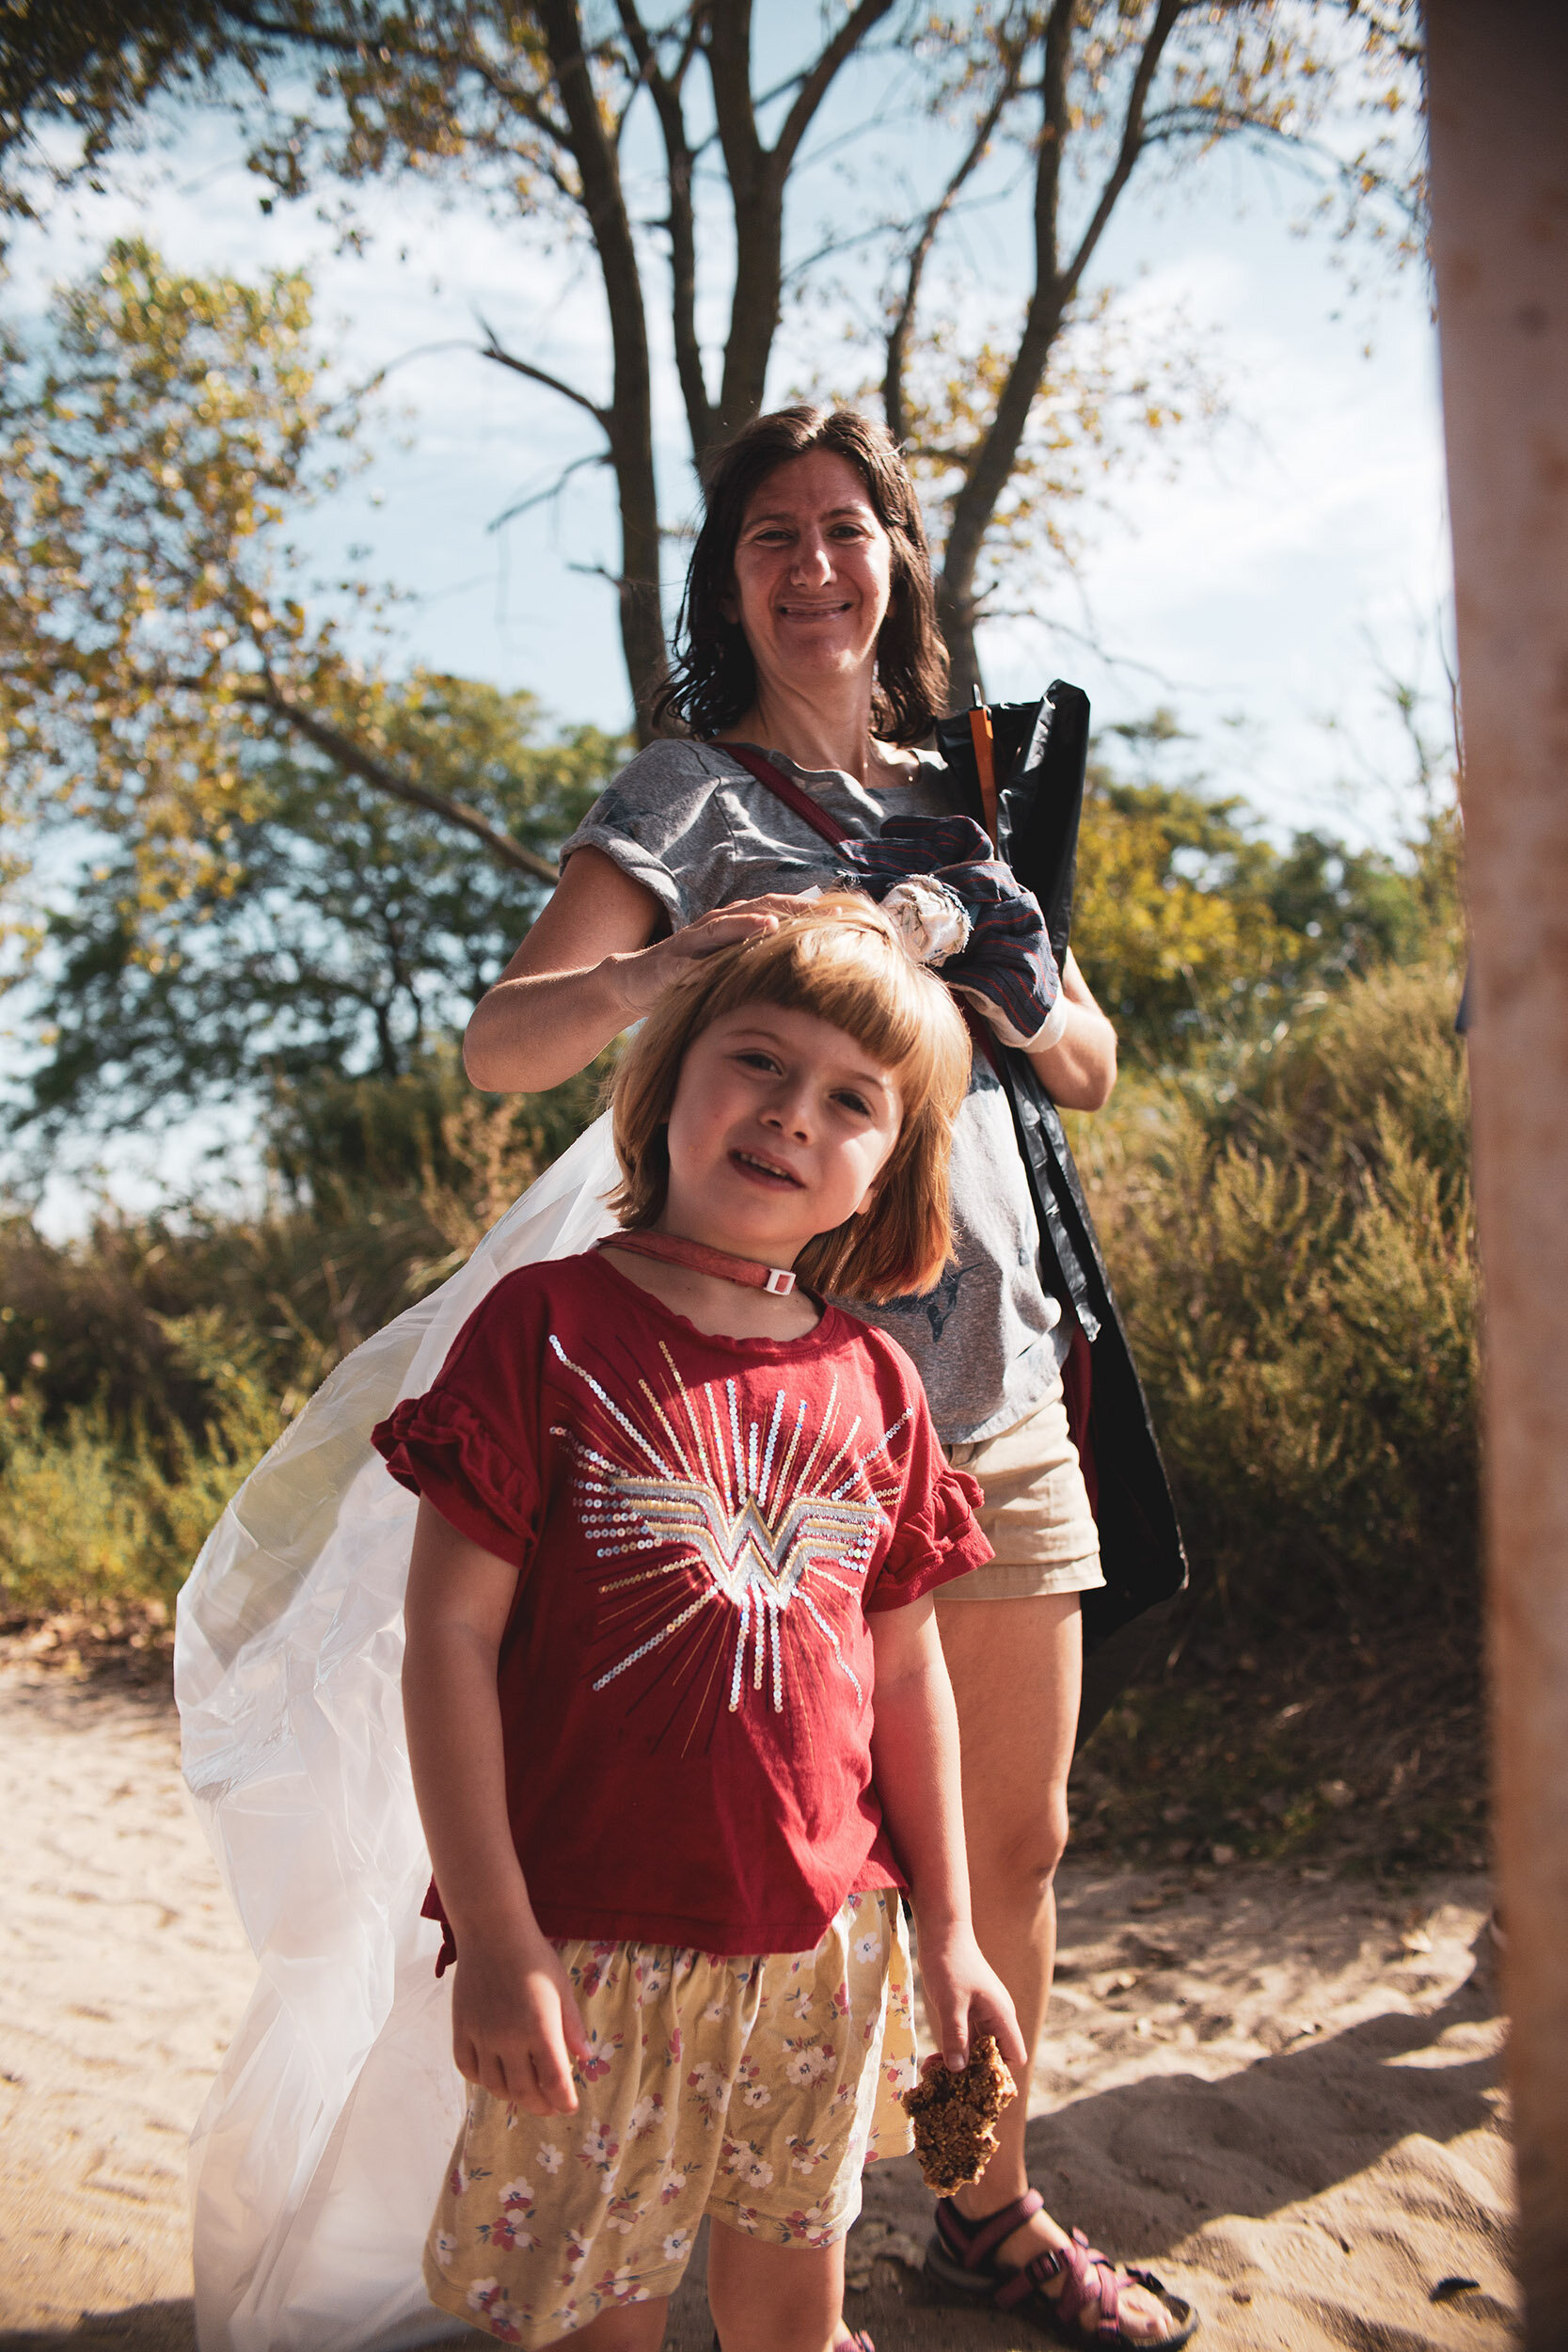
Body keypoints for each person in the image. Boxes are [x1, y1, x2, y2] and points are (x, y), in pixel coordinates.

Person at [461, 404, 1189, 2346]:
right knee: (757, 1847)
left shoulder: (965, 800)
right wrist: (667, 966)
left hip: (997, 1380)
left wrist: (972, 960)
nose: (812, 561)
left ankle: (984, 2198)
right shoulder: (684, 793)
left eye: (846, 526)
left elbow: (1091, 1054)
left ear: (896, 560)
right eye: (769, 532)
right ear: (731, 575)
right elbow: (497, 1049)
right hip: (766, 1414)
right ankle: (727, 2237)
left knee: (1007, 1842)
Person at [372, 898, 1028, 2351]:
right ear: (668, 1081)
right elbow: (449, 1646)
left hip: (821, 1946)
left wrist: (952, 1934)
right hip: (588, 1947)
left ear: (882, 1173)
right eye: (758, 1062)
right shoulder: (541, 1328)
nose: (794, 1115)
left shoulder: (879, 1383)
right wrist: (493, 1929)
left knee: (795, 2305)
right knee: (596, 2318)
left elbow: (908, 1678)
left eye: (850, 1100)